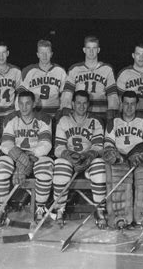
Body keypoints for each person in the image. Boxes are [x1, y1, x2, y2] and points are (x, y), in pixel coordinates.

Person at [0, 91, 53, 223]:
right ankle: (1, 207)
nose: (24, 107)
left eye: (27, 103)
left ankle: (40, 207)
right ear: (17, 104)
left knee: (46, 167)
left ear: (34, 103)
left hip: (35, 155)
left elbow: (46, 143)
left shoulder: (44, 118)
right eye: (21, 104)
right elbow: (6, 143)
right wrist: (18, 155)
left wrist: (31, 155)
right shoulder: (11, 117)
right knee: (0, 166)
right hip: (15, 155)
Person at [103, 91, 143, 229]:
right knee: (117, 178)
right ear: (121, 104)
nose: (129, 107)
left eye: (132, 104)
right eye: (126, 103)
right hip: (120, 158)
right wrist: (113, 153)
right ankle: (120, 217)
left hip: (138, 159)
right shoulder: (113, 121)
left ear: (137, 105)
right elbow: (108, 143)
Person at [53, 90, 106, 228]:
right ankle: (60, 209)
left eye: (84, 103)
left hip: (88, 159)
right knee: (60, 165)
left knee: (100, 166)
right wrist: (68, 155)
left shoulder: (95, 122)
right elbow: (58, 148)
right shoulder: (64, 121)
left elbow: (98, 146)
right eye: (78, 103)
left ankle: (100, 209)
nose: (81, 106)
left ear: (88, 105)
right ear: (72, 104)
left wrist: (89, 155)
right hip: (70, 159)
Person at [60, 36, 119, 122]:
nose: (91, 51)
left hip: (101, 115)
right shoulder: (75, 69)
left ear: (98, 50)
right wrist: (66, 109)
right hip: (79, 116)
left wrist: (112, 112)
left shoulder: (107, 69)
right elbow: (67, 95)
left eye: (94, 48)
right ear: (84, 50)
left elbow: (112, 95)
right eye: (88, 48)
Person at [19, 40, 67, 118]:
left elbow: (65, 96)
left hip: (54, 115)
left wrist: (62, 111)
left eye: (47, 53)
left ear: (51, 54)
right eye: (42, 53)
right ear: (38, 54)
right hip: (35, 114)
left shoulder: (60, 71)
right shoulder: (29, 71)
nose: (44, 56)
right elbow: (20, 95)